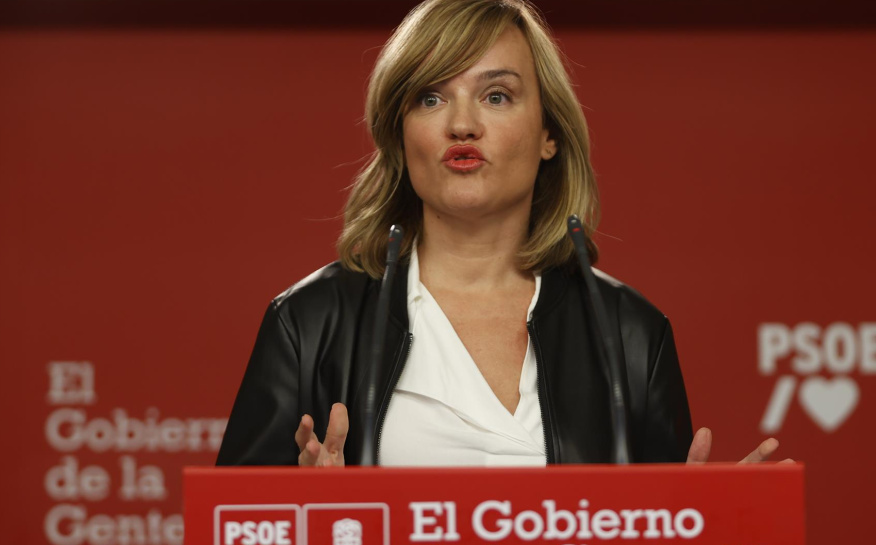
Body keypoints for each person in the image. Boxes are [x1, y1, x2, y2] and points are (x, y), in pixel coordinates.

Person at [216, 0, 784, 468]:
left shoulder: (631, 333)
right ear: (400, 136)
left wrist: (699, 524)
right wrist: (308, 521)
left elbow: (654, 536)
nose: (462, 124)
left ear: (549, 135)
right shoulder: (308, 322)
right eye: (430, 97)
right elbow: (233, 532)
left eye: (496, 96)